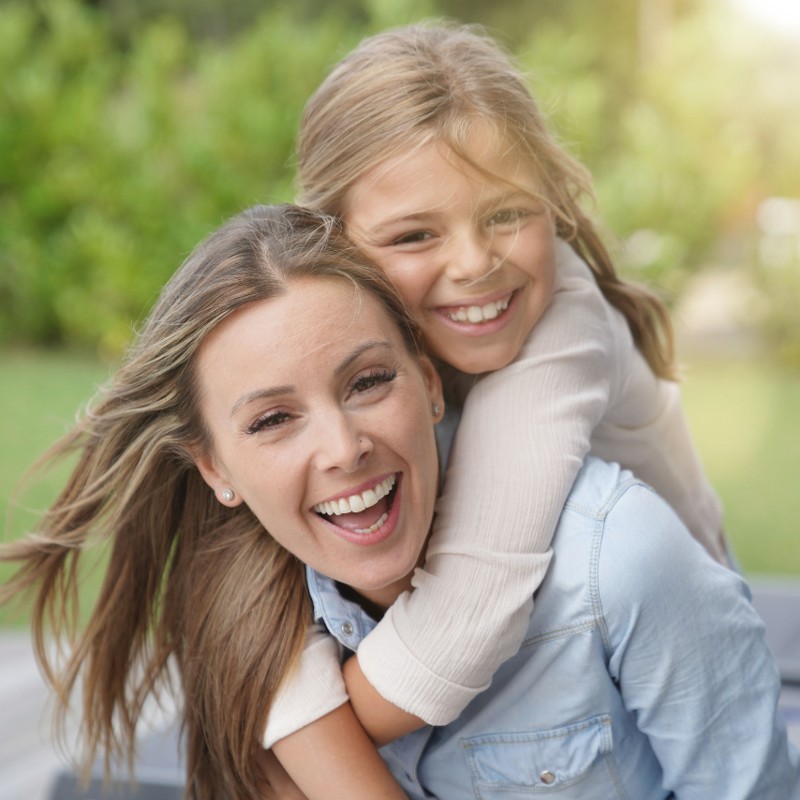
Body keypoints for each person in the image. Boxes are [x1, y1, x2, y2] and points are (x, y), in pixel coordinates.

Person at [3, 204, 797, 799]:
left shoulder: (621, 563)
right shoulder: (249, 615)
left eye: (368, 382)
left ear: (427, 380)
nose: (344, 448)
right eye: (275, 420)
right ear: (216, 468)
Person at [268, 20, 734, 754]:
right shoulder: (339, 337)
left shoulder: (565, 328)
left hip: (659, 682)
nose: (475, 263)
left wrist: (297, 740)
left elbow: (462, 622)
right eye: (415, 235)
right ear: (332, 244)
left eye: (509, 214)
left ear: (553, 203)